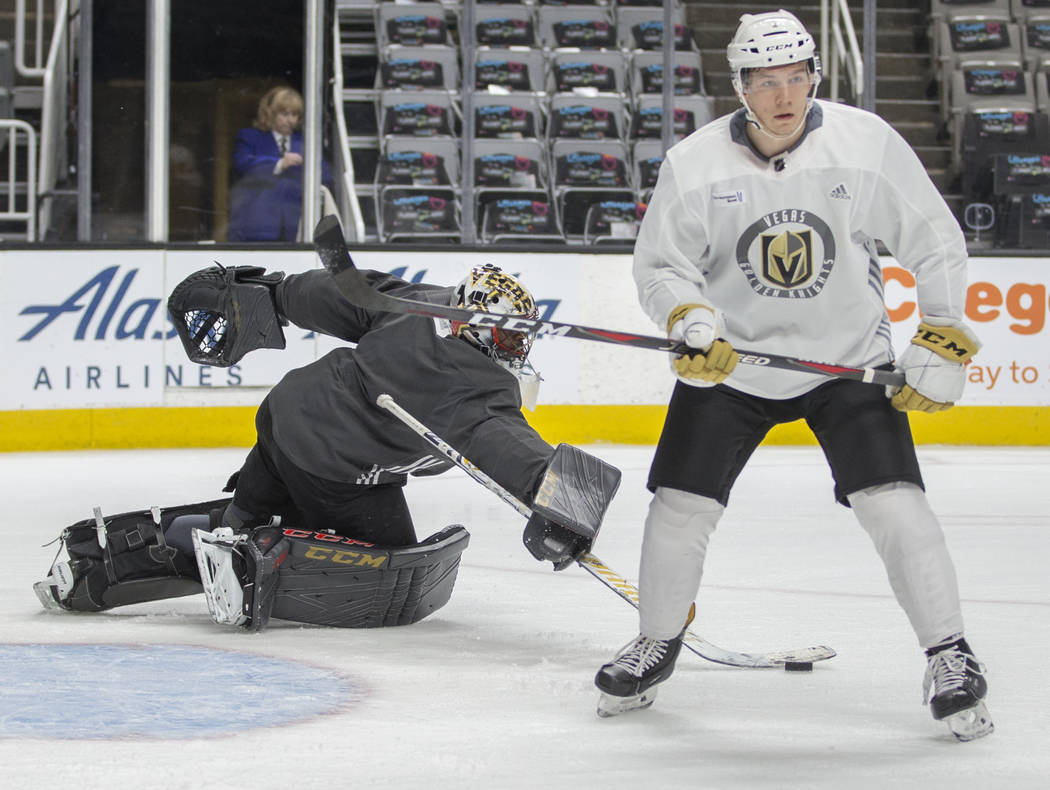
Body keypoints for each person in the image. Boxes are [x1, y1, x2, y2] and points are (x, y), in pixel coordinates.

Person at [592, 9, 993, 741]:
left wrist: (940, 331)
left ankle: (951, 655)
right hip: (733, 365)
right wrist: (688, 319)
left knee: (896, 506)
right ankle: (656, 641)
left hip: (848, 362)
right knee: (679, 507)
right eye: (767, 81)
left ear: (816, 74)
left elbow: (934, 241)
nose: (785, 96)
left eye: (798, 77)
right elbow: (661, 267)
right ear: (740, 86)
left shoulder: (865, 144)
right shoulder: (696, 162)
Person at [35, 261, 620, 632]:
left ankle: (120, 553)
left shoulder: (422, 303)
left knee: (245, 515)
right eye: (513, 336)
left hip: (284, 419)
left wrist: (273, 293)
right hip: (337, 467)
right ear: (482, 329)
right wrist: (572, 506)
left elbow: (346, 294)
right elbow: (513, 448)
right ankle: (252, 554)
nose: (520, 350)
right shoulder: (475, 390)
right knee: (386, 559)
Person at [228, 86, 334, 242]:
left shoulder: (307, 141)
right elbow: (242, 164)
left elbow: (325, 177)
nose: (290, 120)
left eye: (295, 115)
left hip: (298, 226)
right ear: (270, 113)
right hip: (258, 225)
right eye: (284, 114)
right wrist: (279, 164)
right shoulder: (250, 137)